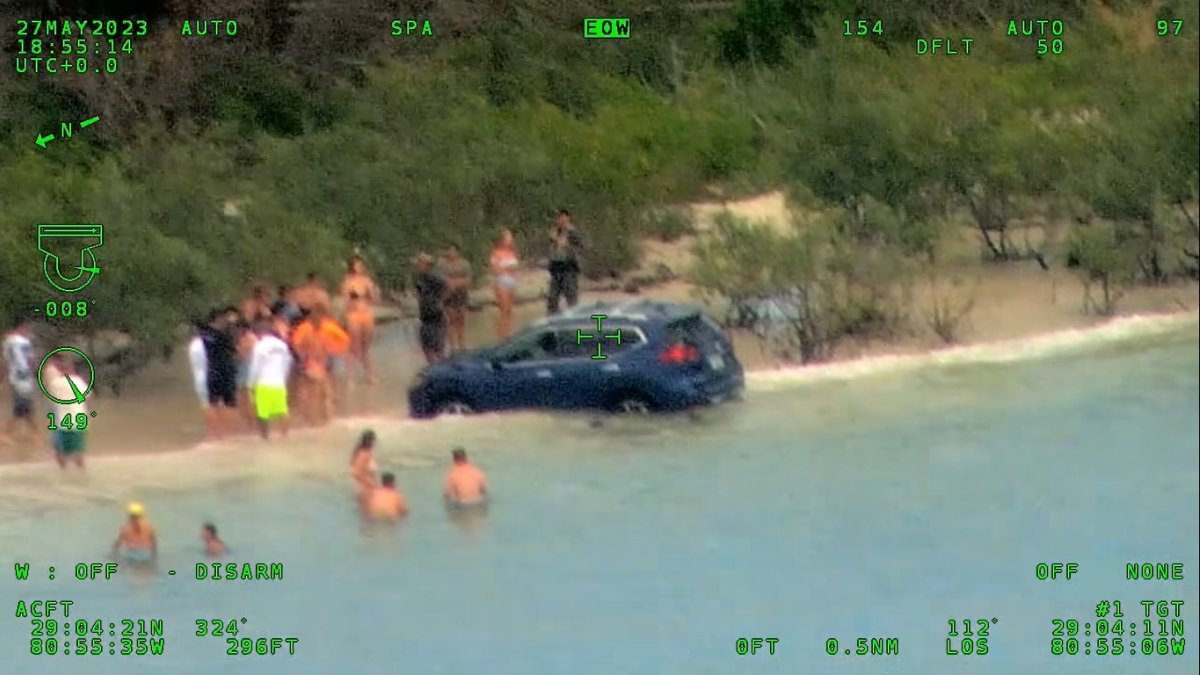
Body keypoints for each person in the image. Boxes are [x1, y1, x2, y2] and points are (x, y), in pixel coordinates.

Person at [246, 320, 293, 440]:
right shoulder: (282, 345)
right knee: (282, 410)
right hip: (279, 382)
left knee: (263, 413)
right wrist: (284, 377)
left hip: (264, 383)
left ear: (259, 333)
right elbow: (287, 362)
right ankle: (285, 435)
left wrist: (251, 384)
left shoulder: (260, 346)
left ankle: (265, 438)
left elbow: (255, 367)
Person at [341, 255, 381, 385]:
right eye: (356, 265)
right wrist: (355, 300)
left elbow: (375, 299)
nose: (359, 267)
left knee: (366, 346)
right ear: (352, 267)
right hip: (353, 315)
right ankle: (350, 377)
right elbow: (346, 301)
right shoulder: (348, 282)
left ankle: (369, 375)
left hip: (367, 314)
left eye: (361, 265)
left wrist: (372, 293)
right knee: (353, 345)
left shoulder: (367, 281)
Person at [201, 308, 240, 439]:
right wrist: (231, 326)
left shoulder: (204, 334)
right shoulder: (224, 335)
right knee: (230, 402)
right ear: (218, 319)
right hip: (225, 369)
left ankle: (214, 433)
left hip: (211, 369)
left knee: (212, 402)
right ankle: (228, 433)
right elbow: (234, 349)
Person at [44, 355, 88, 470]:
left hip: (62, 421)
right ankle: (82, 473)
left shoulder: (55, 384)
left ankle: (64, 473)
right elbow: (87, 396)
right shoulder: (78, 381)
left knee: (60, 451)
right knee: (79, 453)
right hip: (79, 420)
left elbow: (50, 399)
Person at [1, 322, 38, 448]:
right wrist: (36, 371)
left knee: (24, 407)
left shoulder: (7, 342)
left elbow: (5, 362)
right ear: (23, 328)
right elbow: (30, 360)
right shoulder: (24, 342)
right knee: (22, 408)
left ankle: (35, 434)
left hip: (14, 378)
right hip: (24, 378)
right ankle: (6, 434)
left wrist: (5, 379)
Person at [547, 209, 584, 315]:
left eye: (563, 218)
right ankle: (553, 321)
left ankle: (576, 321)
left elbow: (580, 248)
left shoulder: (573, 233)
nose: (561, 221)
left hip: (569, 269)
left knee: (571, 299)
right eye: (559, 218)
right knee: (552, 300)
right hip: (556, 269)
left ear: (568, 219)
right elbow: (551, 249)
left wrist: (567, 245)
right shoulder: (554, 232)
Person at [437, 243, 472, 353]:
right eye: (449, 250)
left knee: (461, 320)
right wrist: (453, 283)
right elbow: (442, 280)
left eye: (454, 250)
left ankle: (462, 344)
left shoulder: (464, 263)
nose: (452, 253)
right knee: (450, 320)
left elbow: (468, 279)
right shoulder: (442, 265)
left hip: (461, 293)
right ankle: (452, 347)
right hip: (448, 294)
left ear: (458, 251)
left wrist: (456, 283)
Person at [412, 253, 447, 364]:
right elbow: (418, 293)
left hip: (436, 316)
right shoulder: (419, 279)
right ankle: (434, 369)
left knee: (438, 348)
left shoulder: (434, 278)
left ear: (426, 265)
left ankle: (442, 370)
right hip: (424, 316)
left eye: (419, 264)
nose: (417, 267)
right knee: (426, 348)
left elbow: (447, 287)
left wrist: (440, 301)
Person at [489, 228, 520, 340]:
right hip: (502, 281)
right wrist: (508, 268)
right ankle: (501, 336)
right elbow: (494, 269)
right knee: (504, 309)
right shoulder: (496, 253)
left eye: (510, 237)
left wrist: (513, 269)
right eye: (507, 237)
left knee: (509, 311)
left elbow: (516, 267)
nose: (509, 240)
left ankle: (508, 334)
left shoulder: (512, 252)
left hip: (512, 281)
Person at [187, 321, 209, 421]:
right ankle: (219, 431)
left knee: (205, 406)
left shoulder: (193, 345)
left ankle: (212, 432)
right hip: (211, 375)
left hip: (199, 377)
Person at [350, 430, 379, 504]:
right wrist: (370, 484)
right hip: (364, 487)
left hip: (366, 486)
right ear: (369, 441)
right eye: (373, 441)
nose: (374, 443)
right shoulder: (363, 454)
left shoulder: (366, 452)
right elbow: (356, 473)